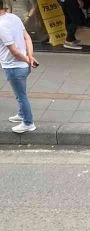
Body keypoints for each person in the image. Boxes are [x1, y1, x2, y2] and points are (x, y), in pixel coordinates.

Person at [0, 2, 37, 133]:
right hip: (23, 65)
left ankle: (28, 122)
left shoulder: (1, 26)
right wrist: (30, 57)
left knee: (21, 96)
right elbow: (27, 38)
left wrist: (28, 59)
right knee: (19, 93)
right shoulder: (13, 17)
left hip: (14, 66)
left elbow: (14, 51)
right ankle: (21, 115)